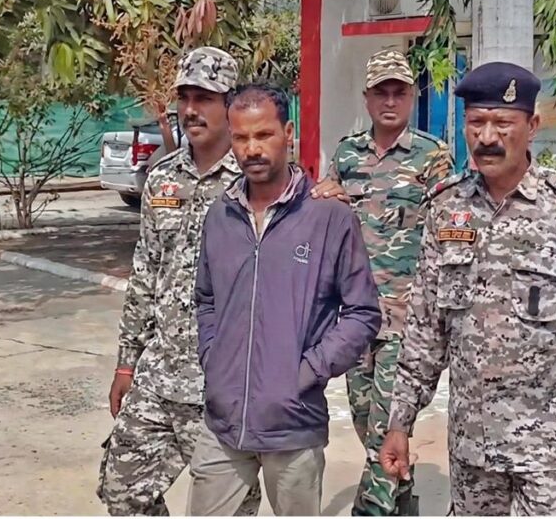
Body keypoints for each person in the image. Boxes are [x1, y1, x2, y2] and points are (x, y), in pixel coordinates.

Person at [378, 62, 556, 516]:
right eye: (476, 123)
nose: (487, 137)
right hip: (473, 447)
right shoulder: (446, 207)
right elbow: (425, 332)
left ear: (532, 126)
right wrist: (400, 422)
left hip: (551, 450)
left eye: (502, 123)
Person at [188, 84, 381, 516]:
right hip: (222, 424)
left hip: (293, 425)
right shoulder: (220, 216)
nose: (252, 149)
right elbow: (206, 299)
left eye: (264, 135)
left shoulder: (328, 216)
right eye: (241, 137)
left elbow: (362, 312)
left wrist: (308, 371)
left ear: (288, 133)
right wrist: (214, 359)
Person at [97, 47, 264, 516]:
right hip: (160, 372)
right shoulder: (162, 177)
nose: (191, 109)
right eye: (185, 97)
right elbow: (146, 271)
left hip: (225, 383)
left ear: (230, 103)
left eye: (204, 98)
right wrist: (126, 364)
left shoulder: (256, 181)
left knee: (229, 509)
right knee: (123, 493)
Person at [312, 49, 453, 516]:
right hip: (353, 318)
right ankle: (402, 500)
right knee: (364, 420)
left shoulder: (432, 156)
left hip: (406, 321)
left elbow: (449, 229)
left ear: (411, 97)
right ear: (367, 98)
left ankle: (369, 511)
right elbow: (324, 208)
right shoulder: (347, 153)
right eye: (381, 92)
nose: (390, 101)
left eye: (399, 92)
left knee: (384, 429)